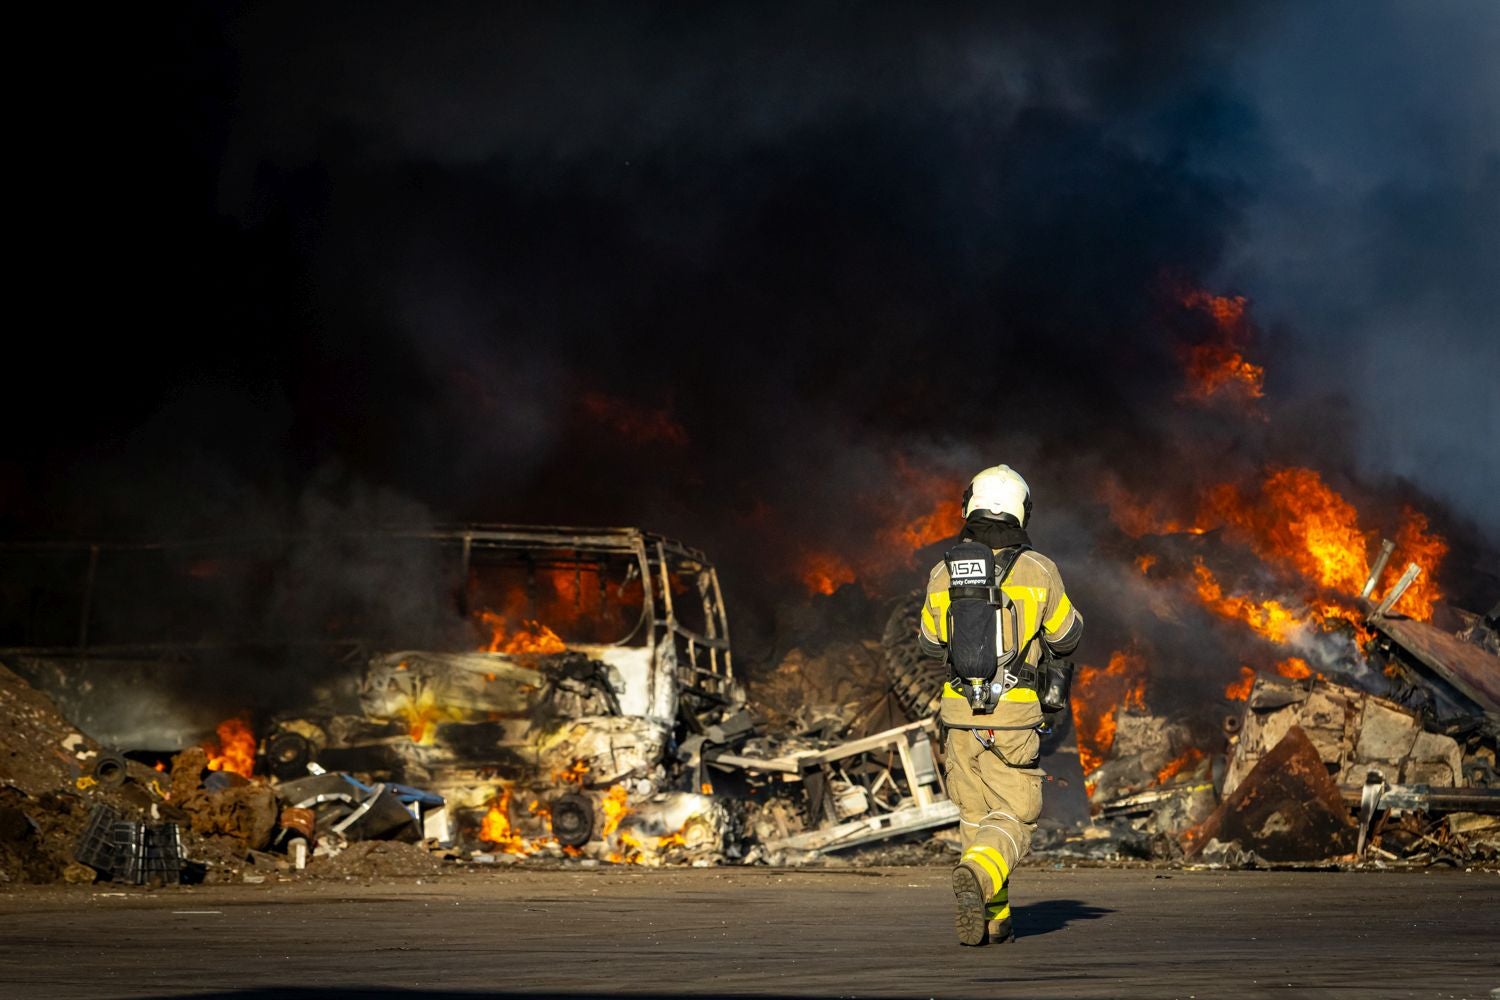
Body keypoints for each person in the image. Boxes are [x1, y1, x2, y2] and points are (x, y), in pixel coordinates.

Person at [917, 464, 1083, 946]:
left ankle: (995, 918)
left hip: (958, 715)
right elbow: (1068, 637)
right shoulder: (1038, 570)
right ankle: (978, 872)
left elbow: (929, 642)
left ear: (970, 507)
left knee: (975, 815)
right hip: (1013, 715)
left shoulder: (942, 571)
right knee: (1014, 813)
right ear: (1020, 512)